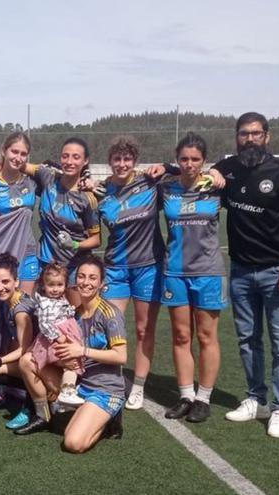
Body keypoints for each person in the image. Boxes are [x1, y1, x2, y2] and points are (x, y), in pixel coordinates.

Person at [212, 112, 279, 438]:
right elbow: (194, 170)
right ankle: (256, 399)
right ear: (236, 137)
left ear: (267, 136)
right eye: (243, 134)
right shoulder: (229, 169)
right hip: (240, 271)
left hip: (276, 272)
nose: (249, 139)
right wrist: (210, 170)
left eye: (255, 134)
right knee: (248, 341)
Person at [18, 256, 127, 454]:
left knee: (73, 443)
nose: (86, 282)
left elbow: (121, 356)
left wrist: (82, 351)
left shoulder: (110, 313)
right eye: (82, 277)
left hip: (104, 389)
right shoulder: (72, 313)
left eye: (93, 278)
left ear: (101, 283)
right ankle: (44, 416)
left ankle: (109, 419)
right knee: (27, 361)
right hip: (79, 384)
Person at [157, 133, 226, 424]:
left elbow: (236, 168)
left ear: (204, 161)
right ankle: (186, 395)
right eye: (183, 159)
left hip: (209, 271)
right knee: (181, 336)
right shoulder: (167, 189)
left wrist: (219, 171)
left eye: (195, 159)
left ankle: (204, 398)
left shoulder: (217, 187)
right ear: (177, 159)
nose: (189, 164)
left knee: (206, 336)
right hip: (175, 272)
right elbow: (153, 174)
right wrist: (165, 167)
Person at [96, 137, 164, 411]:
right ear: (110, 161)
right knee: (111, 326)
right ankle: (111, 380)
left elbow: (185, 173)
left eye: (127, 159)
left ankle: (138, 385)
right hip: (115, 268)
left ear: (134, 162)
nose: (122, 164)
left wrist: (166, 166)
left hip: (148, 266)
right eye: (117, 159)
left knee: (144, 329)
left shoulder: (150, 183)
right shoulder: (102, 191)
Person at [12, 137, 101, 306]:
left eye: (76, 157)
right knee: (42, 319)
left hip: (73, 268)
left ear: (85, 161)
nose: (69, 161)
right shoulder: (48, 177)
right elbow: (17, 163)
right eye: (65, 156)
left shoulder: (87, 198)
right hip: (45, 265)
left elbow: (96, 240)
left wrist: (74, 244)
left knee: (76, 321)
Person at [0, 253, 37, 429]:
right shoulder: (10, 301)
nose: (0, 287)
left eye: (5, 282)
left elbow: (25, 349)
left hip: (40, 364)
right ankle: (29, 392)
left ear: (16, 282)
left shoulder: (20, 311)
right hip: (34, 358)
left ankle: (31, 405)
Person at [0, 132, 40, 295]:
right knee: (2, 311)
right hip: (2, 254)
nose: (18, 157)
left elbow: (56, 176)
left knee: (25, 309)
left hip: (28, 253)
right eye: (14, 152)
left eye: (23, 154)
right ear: (4, 151)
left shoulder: (32, 182)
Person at [29, 263, 85, 407]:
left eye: (59, 285)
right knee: (71, 362)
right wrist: (57, 336)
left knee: (72, 362)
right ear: (44, 285)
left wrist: (71, 311)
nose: (55, 289)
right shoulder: (45, 303)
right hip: (53, 341)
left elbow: (64, 312)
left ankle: (63, 396)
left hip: (65, 336)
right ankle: (67, 392)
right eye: (51, 285)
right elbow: (44, 324)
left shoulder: (61, 299)